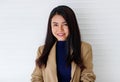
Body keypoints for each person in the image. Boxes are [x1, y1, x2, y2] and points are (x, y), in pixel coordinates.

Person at [31, 5, 96, 82]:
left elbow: (88, 76)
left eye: (65, 24)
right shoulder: (42, 50)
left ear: (72, 25)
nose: (60, 29)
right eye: (55, 24)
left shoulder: (84, 48)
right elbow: (36, 78)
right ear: (50, 26)